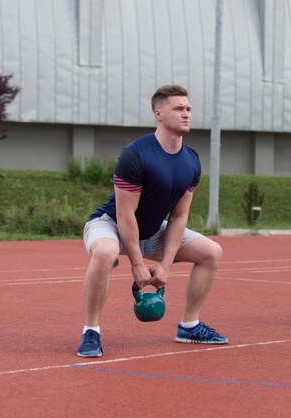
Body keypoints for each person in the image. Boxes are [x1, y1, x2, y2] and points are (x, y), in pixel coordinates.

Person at [77, 84, 228, 357]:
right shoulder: (135, 155)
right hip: (110, 223)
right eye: (179, 109)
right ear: (159, 114)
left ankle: (189, 326)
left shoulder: (191, 160)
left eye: (189, 109)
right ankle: (91, 331)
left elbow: (179, 215)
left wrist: (166, 266)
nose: (186, 114)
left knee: (211, 252)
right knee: (106, 252)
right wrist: (137, 263)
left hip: (152, 230)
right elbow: (124, 215)